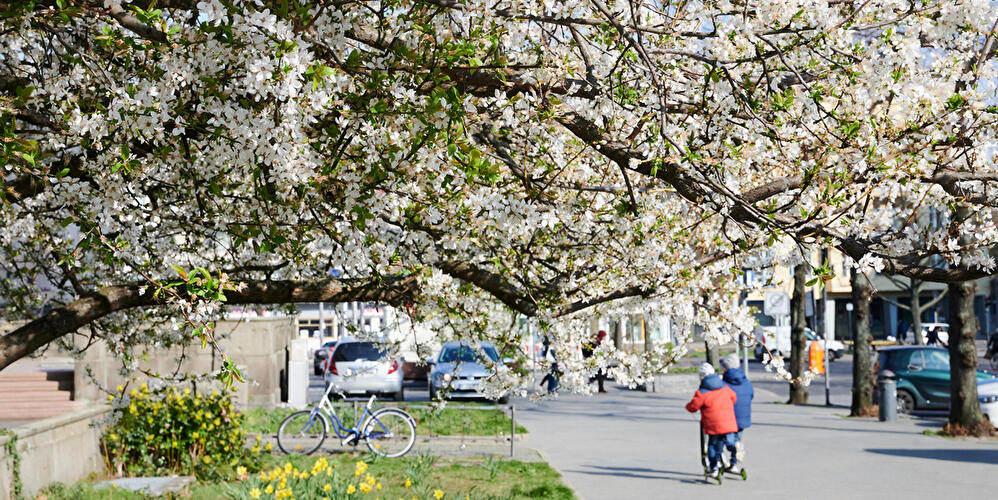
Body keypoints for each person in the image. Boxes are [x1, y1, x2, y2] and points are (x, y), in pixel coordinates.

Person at [685, 363, 738, 479]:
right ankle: (732, 448)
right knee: (720, 444)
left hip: (713, 424)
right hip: (729, 421)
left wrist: (687, 407)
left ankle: (713, 467)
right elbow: (734, 397)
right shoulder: (724, 386)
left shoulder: (702, 391)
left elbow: (693, 407)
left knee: (712, 445)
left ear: (701, 377)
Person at [720, 354, 753, 474]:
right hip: (743, 418)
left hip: (728, 418)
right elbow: (751, 395)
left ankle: (733, 448)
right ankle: (733, 464)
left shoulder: (724, 382)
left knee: (729, 441)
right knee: (737, 439)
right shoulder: (746, 381)